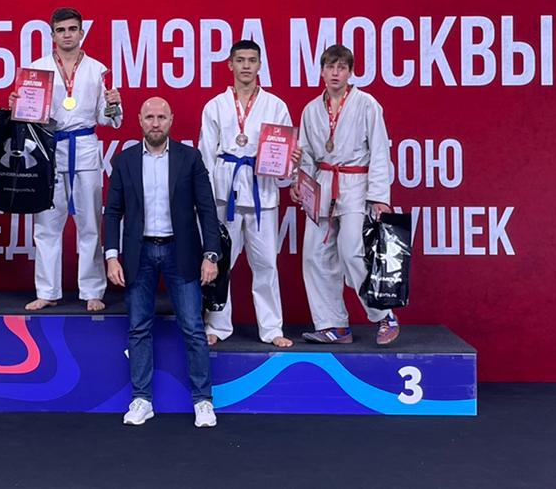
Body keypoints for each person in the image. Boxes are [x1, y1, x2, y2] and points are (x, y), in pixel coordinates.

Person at [103, 97, 221, 428]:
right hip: (138, 253)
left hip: (180, 252)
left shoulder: (189, 158)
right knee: (139, 328)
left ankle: (203, 401)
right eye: (150, 117)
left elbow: (207, 209)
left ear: (171, 120)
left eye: (161, 117)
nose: (155, 123)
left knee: (193, 328)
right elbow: (113, 212)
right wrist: (111, 256)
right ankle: (142, 399)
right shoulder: (125, 160)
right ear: (139, 121)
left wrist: (211, 255)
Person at [11, 7, 122, 312]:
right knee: (46, 224)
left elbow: (107, 119)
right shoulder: (37, 69)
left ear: (81, 33)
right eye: (61, 30)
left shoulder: (98, 70)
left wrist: (114, 105)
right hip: (49, 148)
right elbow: (27, 118)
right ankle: (47, 291)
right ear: (52, 35)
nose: (67, 35)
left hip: (84, 146)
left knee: (90, 224)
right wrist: (17, 105)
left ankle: (92, 290)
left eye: (72, 29)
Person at [296, 44, 399, 346]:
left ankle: (384, 314)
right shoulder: (311, 109)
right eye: (330, 67)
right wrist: (301, 184)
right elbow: (306, 156)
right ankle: (333, 325)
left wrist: (379, 197)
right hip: (323, 184)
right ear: (322, 71)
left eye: (341, 67)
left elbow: (379, 151)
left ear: (350, 72)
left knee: (352, 251)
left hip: (356, 184)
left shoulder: (366, 104)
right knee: (314, 255)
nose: (335, 73)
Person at [199, 40, 299, 348]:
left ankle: (271, 328)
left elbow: (285, 157)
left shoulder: (276, 106)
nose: (246, 66)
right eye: (240, 60)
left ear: (259, 65)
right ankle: (217, 324)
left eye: (251, 60)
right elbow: (206, 154)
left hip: (261, 194)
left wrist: (289, 163)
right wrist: (205, 199)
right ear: (230, 64)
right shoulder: (215, 105)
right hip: (224, 193)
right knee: (220, 262)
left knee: (266, 264)